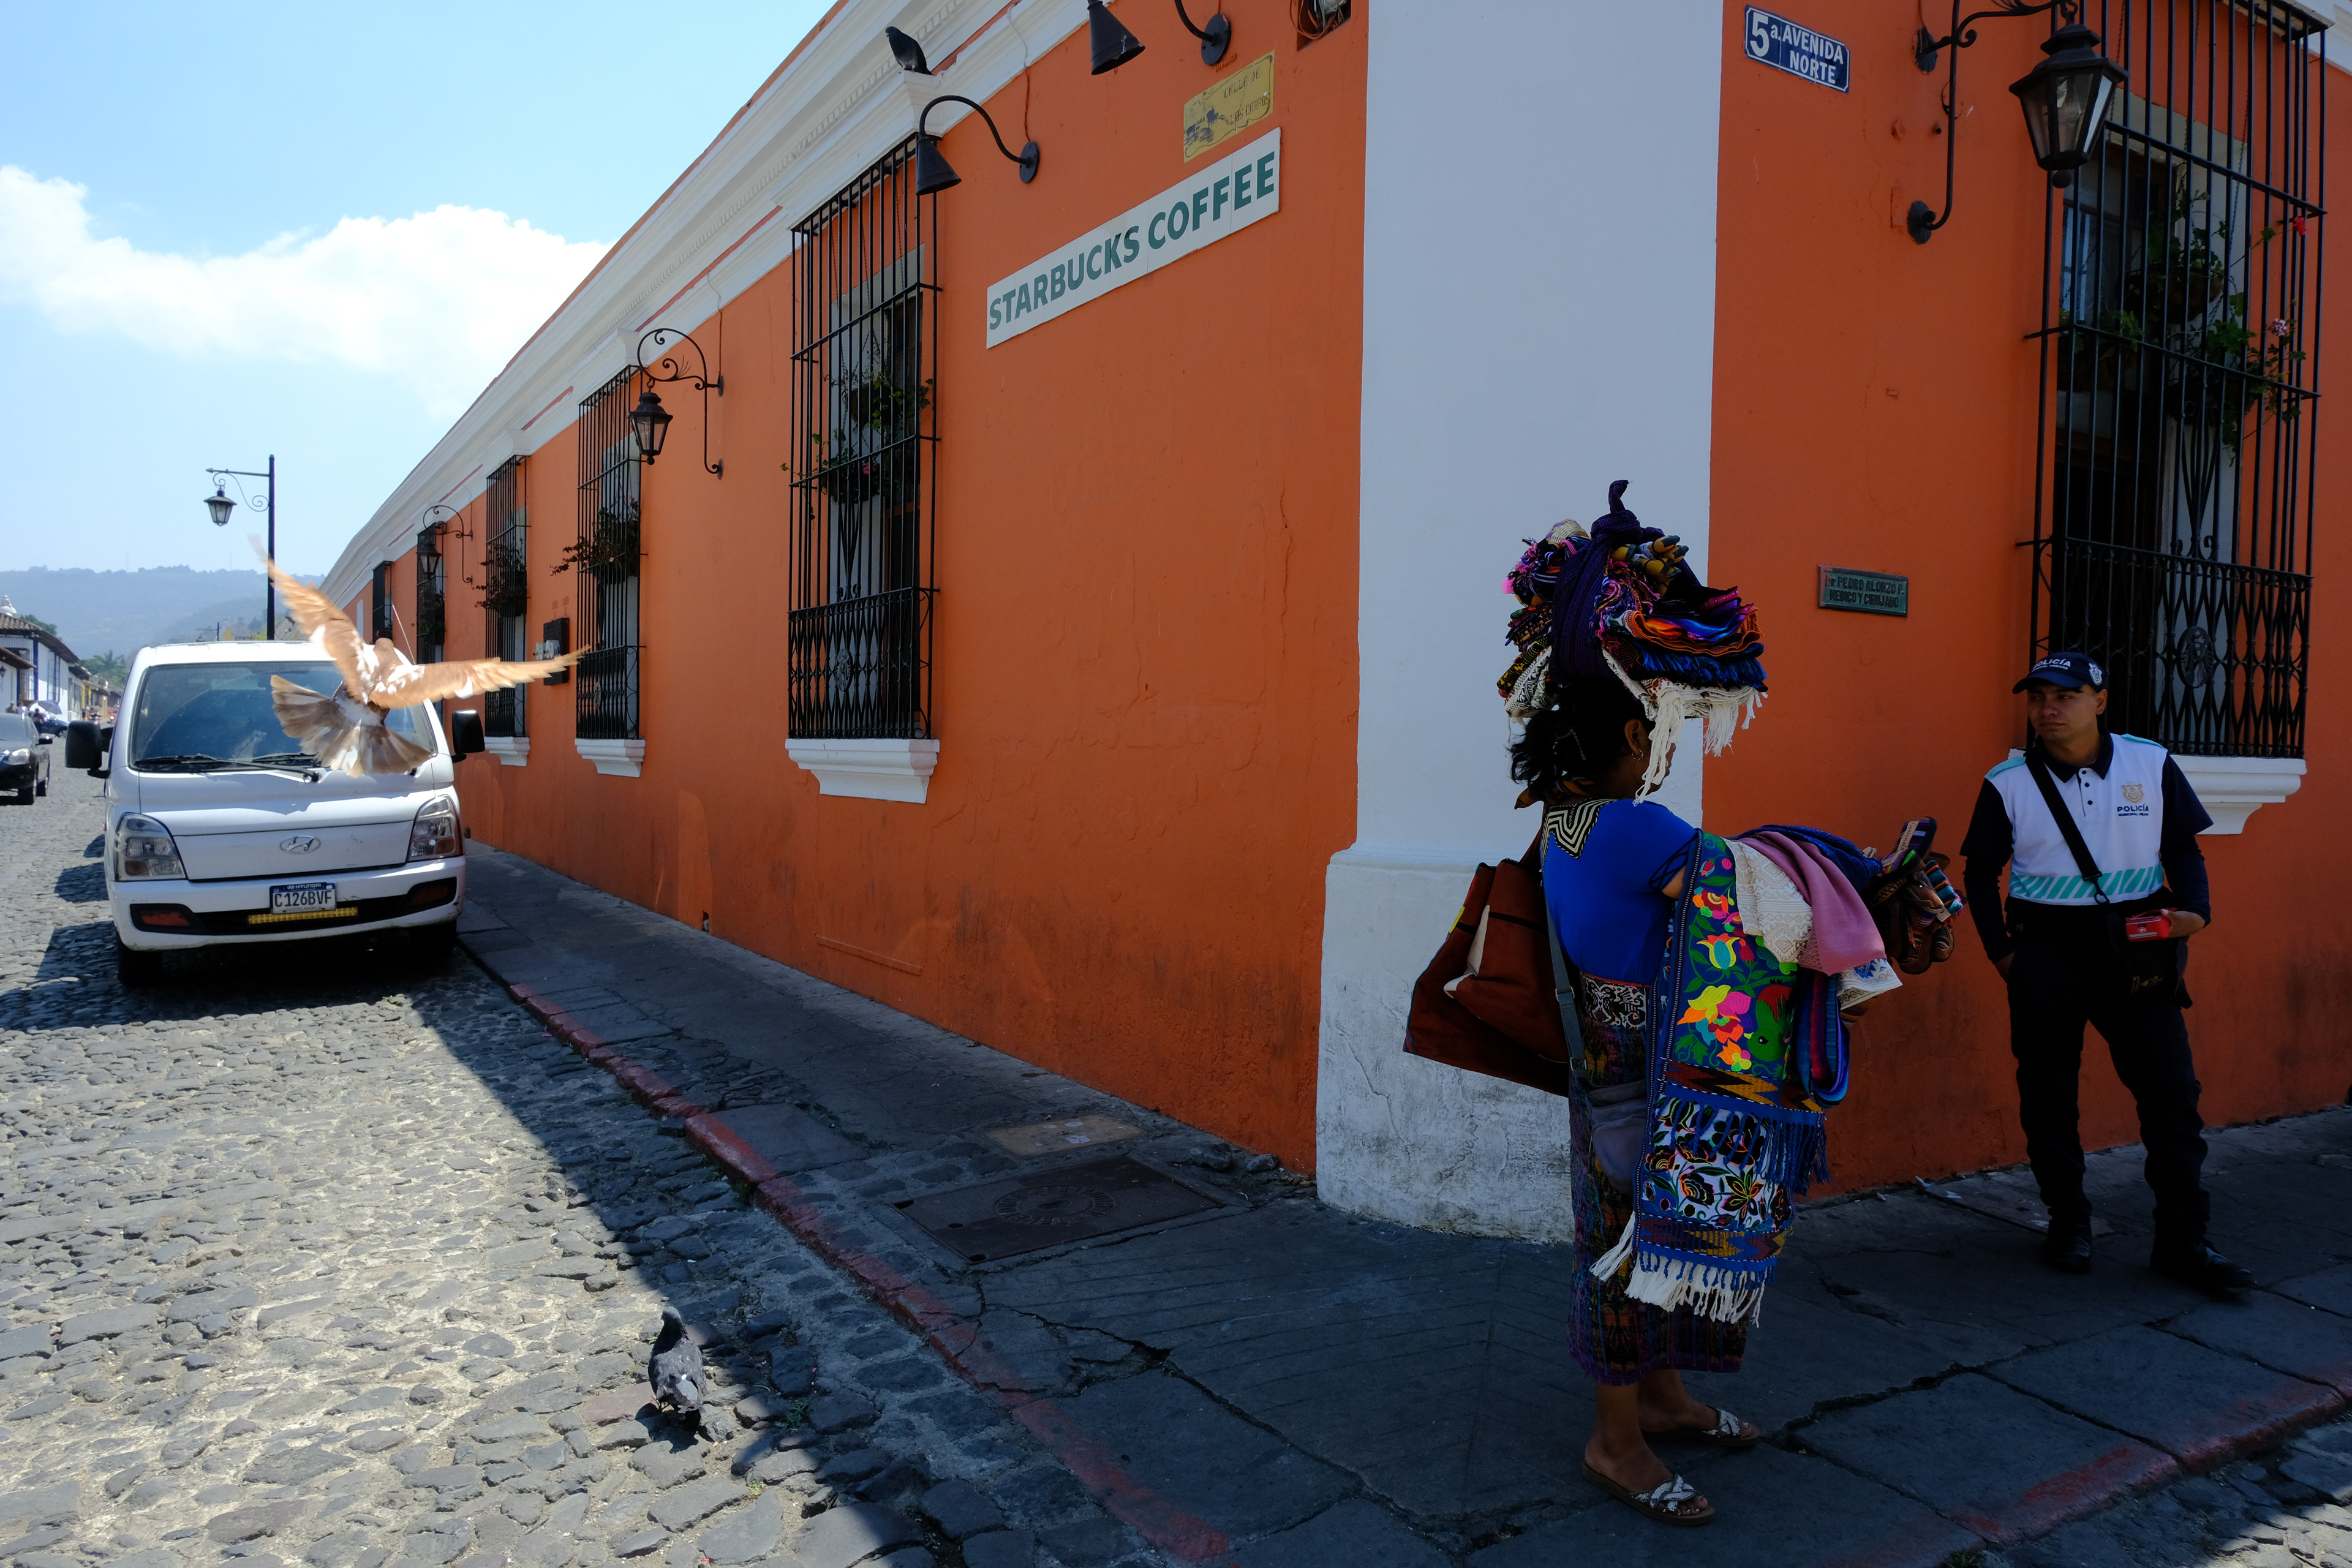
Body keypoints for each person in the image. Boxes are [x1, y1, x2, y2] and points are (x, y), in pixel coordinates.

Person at [1958, 652, 2253, 1295]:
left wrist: (2197, 910)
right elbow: (1980, 873)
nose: (2048, 709)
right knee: (2048, 1097)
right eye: (2038, 697)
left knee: (2173, 1097)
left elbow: (2182, 847)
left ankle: (2184, 1241)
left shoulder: (2150, 762)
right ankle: (2068, 1223)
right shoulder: (2007, 781)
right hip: (2045, 952)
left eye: (2064, 696)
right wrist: (2004, 956)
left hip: (2136, 950)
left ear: (2100, 700)